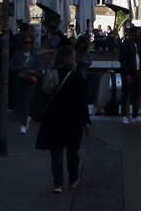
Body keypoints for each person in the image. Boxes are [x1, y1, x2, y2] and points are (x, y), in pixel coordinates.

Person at [33, 45, 91, 194]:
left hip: (55, 117)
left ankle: (58, 183)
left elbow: (45, 92)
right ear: (70, 58)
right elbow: (82, 101)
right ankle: (73, 179)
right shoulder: (77, 76)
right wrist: (87, 121)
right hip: (73, 119)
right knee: (72, 151)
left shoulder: (52, 74)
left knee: (56, 151)